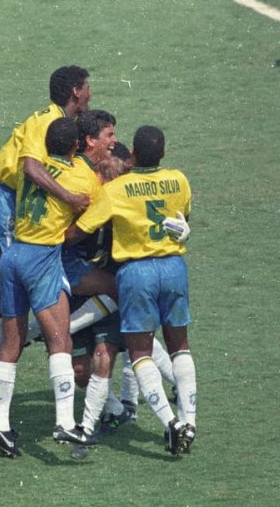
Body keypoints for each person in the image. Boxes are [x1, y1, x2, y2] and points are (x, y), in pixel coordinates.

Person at [67, 125, 197, 455]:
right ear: (163, 154)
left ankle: (171, 423)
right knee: (180, 346)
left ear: (133, 154)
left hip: (136, 272)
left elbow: (81, 230)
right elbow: (183, 218)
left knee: (139, 353)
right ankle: (190, 421)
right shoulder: (179, 179)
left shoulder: (116, 189)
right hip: (174, 267)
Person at [0, 66, 92, 385]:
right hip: (3, 198)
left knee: (17, 274)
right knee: (14, 273)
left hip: (15, 199)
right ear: (76, 91)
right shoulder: (46, 121)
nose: (90, 93)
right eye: (87, 87)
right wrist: (70, 197)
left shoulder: (58, 120)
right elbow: (32, 168)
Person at [0, 117, 100, 458]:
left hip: (13, 255)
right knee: (60, 340)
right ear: (76, 145)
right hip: (42, 259)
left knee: (11, 342)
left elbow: (32, 164)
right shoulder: (83, 178)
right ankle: (65, 422)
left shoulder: (32, 170)